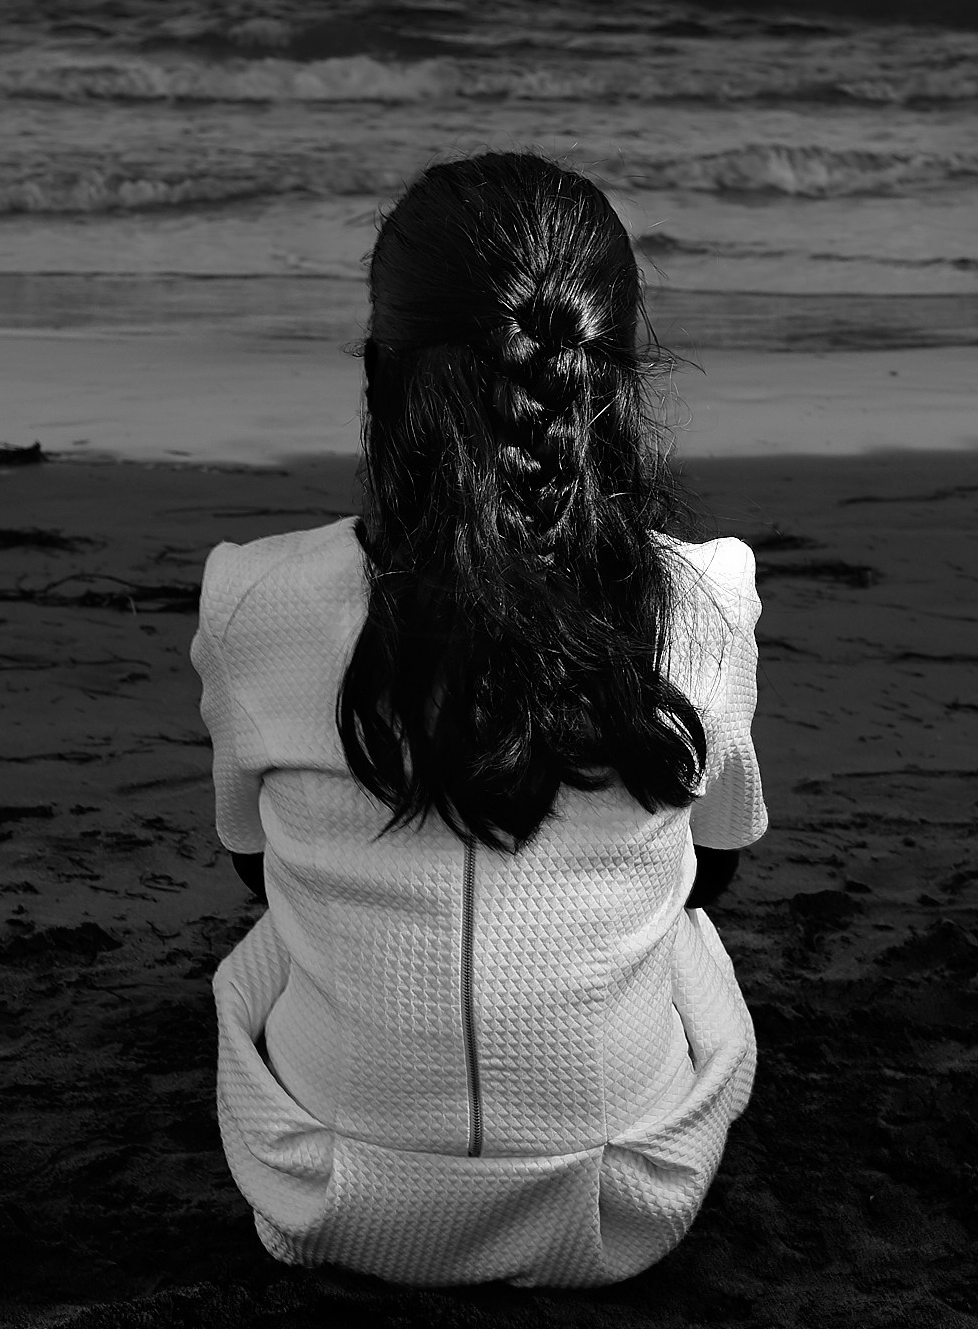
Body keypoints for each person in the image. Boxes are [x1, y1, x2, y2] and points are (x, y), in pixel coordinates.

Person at [191, 152, 766, 1288]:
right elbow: (716, 868)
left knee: (281, 932)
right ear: (614, 376)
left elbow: (249, 860)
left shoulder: (256, 598)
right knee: (681, 928)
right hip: (623, 1190)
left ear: (380, 375)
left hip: (328, 1188)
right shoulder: (703, 597)